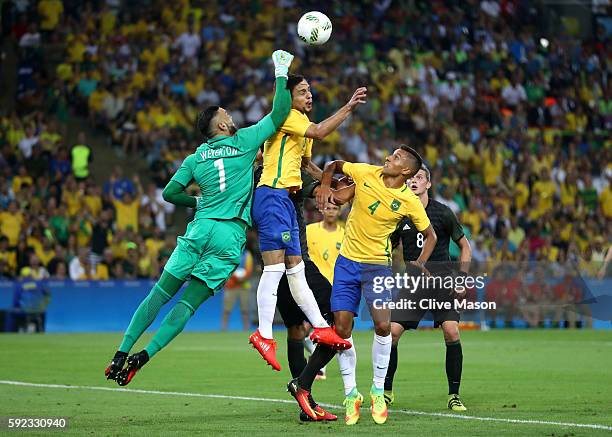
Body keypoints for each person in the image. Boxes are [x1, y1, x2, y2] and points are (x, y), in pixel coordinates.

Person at [104, 50, 295, 386]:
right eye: (226, 113)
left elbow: (168, 194)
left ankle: (121, 352)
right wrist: (281, 70)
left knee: (158, 296)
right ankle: (144, 356)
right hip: (229, 236)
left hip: (200, 227)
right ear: (221, 124)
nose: (231, 115)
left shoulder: (195, 157)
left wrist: (196, 199)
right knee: (188, 306)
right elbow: (281, 111)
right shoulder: (245, 140)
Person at [288, 146, 437, 425]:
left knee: (383, 327)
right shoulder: (365, 172)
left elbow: (430, 236)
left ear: (406, 171)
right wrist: (322, 185)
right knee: (341, 330)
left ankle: (377, 392)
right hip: (347, 265)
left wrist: (419, 263)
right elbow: (334, 164)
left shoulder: (408, 201)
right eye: (391, 154)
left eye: (395, 157)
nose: (388, 158)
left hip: (377, 267)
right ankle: (351, 394)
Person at [249, 73, 367, 371]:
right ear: (289, 98)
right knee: (276, 268)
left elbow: (303, 164)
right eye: (302, 91)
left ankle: (318, 325)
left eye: (309, 91)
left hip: (287, 200)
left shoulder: (298, 127)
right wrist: (348, 107)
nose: (309, 95)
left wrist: (328, 181)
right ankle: (263, 334)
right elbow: (319, 131)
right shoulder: (288, 116)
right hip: (272, 195)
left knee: (296, 269)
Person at [384, 165, 472, 412]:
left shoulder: (443, 213)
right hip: (413, 284)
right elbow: (387, 248)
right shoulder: (400, 214)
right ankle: (387, 391)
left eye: (419, 178)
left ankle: (454, 395)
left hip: (443, 282)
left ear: (428, 184)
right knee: (391, 333)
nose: (413, 181)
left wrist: (462, 278)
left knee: (452, 332)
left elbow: (465, 247)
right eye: (410, 178)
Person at [221, 249, 253, 331]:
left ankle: (246, 330)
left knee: (245, 310)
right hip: (230, 286)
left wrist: (243, 278)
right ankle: (223, 330)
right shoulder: (229, 252)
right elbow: (226, 268)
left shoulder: (247, 255)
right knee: (226, 310)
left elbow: (249, 269)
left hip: (244, 287)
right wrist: (234, 277)